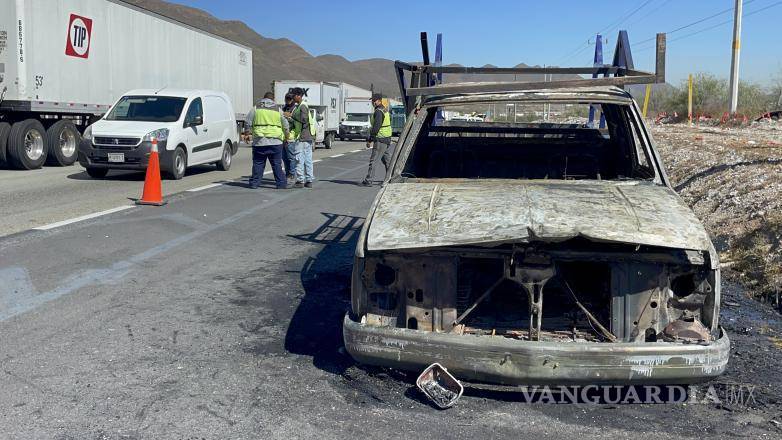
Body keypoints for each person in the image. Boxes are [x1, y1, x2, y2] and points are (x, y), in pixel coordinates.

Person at [244, 92, 289, 189]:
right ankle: (281, 184)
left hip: (260, 141)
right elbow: (285, 124)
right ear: (273, 99)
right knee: (276, 164)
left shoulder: (256, 108)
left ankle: (254, 183)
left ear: (263, 98)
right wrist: (286, 136)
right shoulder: (278, 109)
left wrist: (247, 134)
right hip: (276, 141)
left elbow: (248, 121)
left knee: (258, 163)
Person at [360, 94, 393, 187]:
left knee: (374, 160)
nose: (373, 102)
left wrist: (370, 139)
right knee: (387, 160)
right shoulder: (384, 110)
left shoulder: (378, 112)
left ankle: (369, 180)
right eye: (372, 101)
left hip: (380, 138)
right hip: (386, 138)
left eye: (374, 101)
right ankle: (391, 178)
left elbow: (376, 127)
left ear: (379, 101)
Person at [289, 87, 316, 188]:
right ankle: (309, 180)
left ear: (298, 96)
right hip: (307, 136)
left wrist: (291, 116)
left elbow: (304, 119)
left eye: (293, 96)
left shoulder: (302, 106)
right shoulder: (301, 105)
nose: (292, 98)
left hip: (302, 137)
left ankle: (300, 180)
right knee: (307, 159)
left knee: (299, 158)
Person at [281, 93, 297, 180]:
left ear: (292, 100)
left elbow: (297, 122)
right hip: (283, 137)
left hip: (291, 137)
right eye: (287, 98)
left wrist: (289, 117)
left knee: (291, 157)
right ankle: (287, 174)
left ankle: (292, 174)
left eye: (290, 99)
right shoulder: (283, 108)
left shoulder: (295, 109)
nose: (288, 100)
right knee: (284, 158)